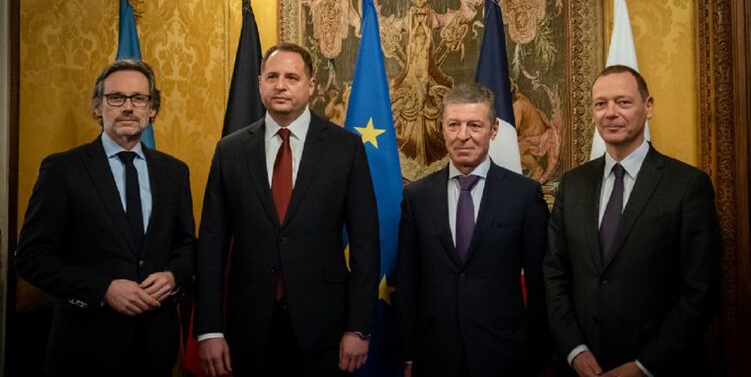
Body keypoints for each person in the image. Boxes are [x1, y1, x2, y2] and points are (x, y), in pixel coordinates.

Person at [196, 42, 380, 377]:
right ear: (260, 83)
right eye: (272, 77)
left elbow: (366, 244)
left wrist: (358, 327)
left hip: (324, 329)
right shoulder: (230, 151)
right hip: (249, 329)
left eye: (292, 77)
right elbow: (211, 245)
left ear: (311, 85)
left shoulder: (345, 148)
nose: (280, 85)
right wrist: (209, 329)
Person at [16, 60, 196, 377]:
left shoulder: (174, 172)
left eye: (138, 98)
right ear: (97, 106)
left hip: (155, 344)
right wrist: (103, 289)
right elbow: (31, 257)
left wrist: (171, 277)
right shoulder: (62, 170)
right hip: (86, 346)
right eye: (116, 98)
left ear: (152, 108)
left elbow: (186, 246)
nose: (128, 107)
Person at [544, 65, 719, 377]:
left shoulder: (687, 185)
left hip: (661, 366)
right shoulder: (572, 184)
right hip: (583, 366)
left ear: (648, 107)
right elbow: (554, 273)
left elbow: (701, 290)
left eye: (623, 102)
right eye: (600, 104)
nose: (610, 112)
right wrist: (574, 349)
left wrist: (645, 365)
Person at [394, 83, 550, 377]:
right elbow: (407, 281)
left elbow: (540, 281)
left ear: (493, 130)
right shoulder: (417, 197)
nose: (463, 135)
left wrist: (539, 354)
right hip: (434, 355)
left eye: (475, 125)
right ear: (442, 129)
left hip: (505, 354)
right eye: (454, 125)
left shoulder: (524, 195)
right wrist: (409, 354)